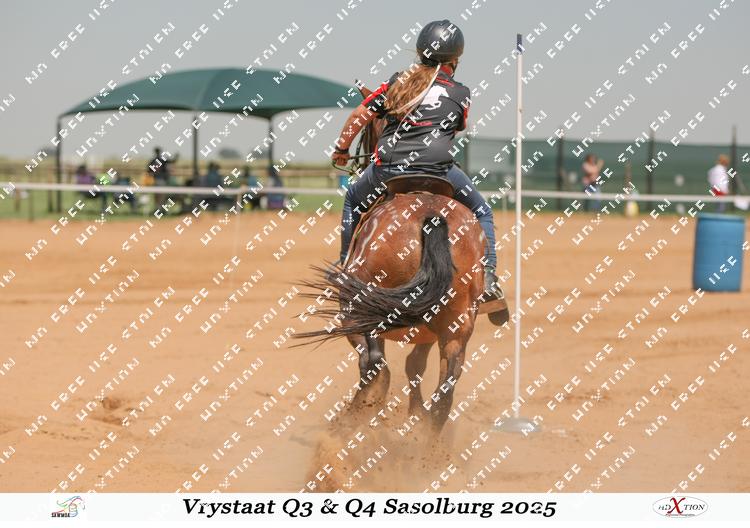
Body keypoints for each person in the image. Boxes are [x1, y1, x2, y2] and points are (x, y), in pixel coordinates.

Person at [330, 19, 503, 305]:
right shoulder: (461, 92)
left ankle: (346, 269)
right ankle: (489, 278)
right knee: (483, 211)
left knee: (352, 199)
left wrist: (342, 149)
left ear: (421, 51)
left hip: (388, 169)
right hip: (439, 171)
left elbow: (361, 114)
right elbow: (456, 128)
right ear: (455, 58)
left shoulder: (397, 82)